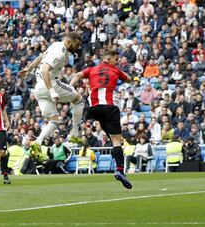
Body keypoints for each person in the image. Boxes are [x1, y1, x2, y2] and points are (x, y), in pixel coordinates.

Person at [70, 49, 132, 189]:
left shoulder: (91, 69)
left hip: (93, 109)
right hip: (109, 108)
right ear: (108, 59)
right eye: (116, 59)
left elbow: (78, 75)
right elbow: (128, 78)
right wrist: (135, 79)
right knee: (117, 141)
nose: (117, 62)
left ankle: (76, 131)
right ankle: (120, 170)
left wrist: (71, 87)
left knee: (81, 113)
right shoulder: (116, 71)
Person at [18, 32, 84, 151]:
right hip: (50, 84)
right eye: (77, 44)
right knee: (79, 100)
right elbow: (44, 71)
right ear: (70, 41)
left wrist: (29, 69)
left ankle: (38, 142)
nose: (78, 47)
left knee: (54, 121)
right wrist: (52, 91)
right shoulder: (59, 52)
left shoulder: (55, 45)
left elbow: (41, 57)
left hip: (38, 89)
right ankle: (75, 133)